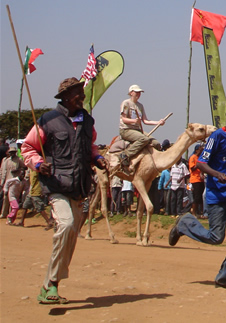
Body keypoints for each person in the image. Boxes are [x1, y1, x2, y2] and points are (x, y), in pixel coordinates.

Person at [21, 77, 108, 304]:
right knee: (66, 224)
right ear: (67, 97)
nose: (83, 97)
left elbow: (90, 146)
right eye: (79, 93)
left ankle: (50, 285)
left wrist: (98, 158)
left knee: (70, 238)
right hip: (56, 185)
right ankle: (51, 284)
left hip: (80, 186)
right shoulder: (47, 121)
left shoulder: (87, 120)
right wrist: (38, 163)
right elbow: (27, 147)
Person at [169, 102, 226, 290]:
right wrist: (217, 174)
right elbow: (201, 163)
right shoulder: (217, 136)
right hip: (216, 194)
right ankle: (185, 224)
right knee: (216, 237)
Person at [118, 84, 167, 170]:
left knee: (156, 143)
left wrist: (158, 122)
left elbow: (145, 121)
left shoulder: (140, 106)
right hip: (126, 129)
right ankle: (125, 155)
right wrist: (134, 121)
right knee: (144, 139)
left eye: (140, 92)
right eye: (136, 92)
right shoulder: (126, 103)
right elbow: (123, 119)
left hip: (138, 130)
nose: (138, 94)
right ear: (131, 93)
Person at [189, 144, 205, 217]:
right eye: (199, 149)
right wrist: (198, 165)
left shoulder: (200, 158)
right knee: (197, 197)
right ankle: (194, 212)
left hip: (201, 179)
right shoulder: (193, 157)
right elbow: (192, 168)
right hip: (195, 179)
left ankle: (201, 212)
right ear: (196, 150)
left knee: (201, 197)